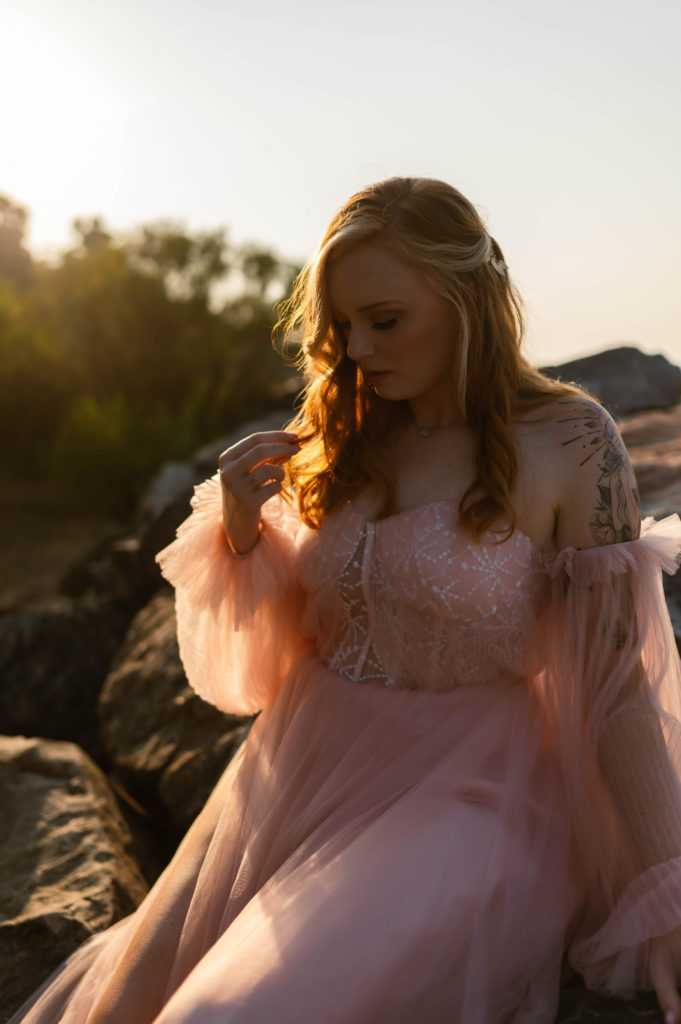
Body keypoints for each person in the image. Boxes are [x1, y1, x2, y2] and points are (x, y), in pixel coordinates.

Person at [11, 176, 681, 1024]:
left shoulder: (570, 441)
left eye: (384, 319)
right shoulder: (349, 430)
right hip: (294, 768)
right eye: (343, 325)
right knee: (125, 1008)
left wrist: (665, 896)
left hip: (472, 795)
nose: (357, 347)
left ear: (465, 295)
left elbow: (618, 677)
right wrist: (247, 532)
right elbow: (261, 671)